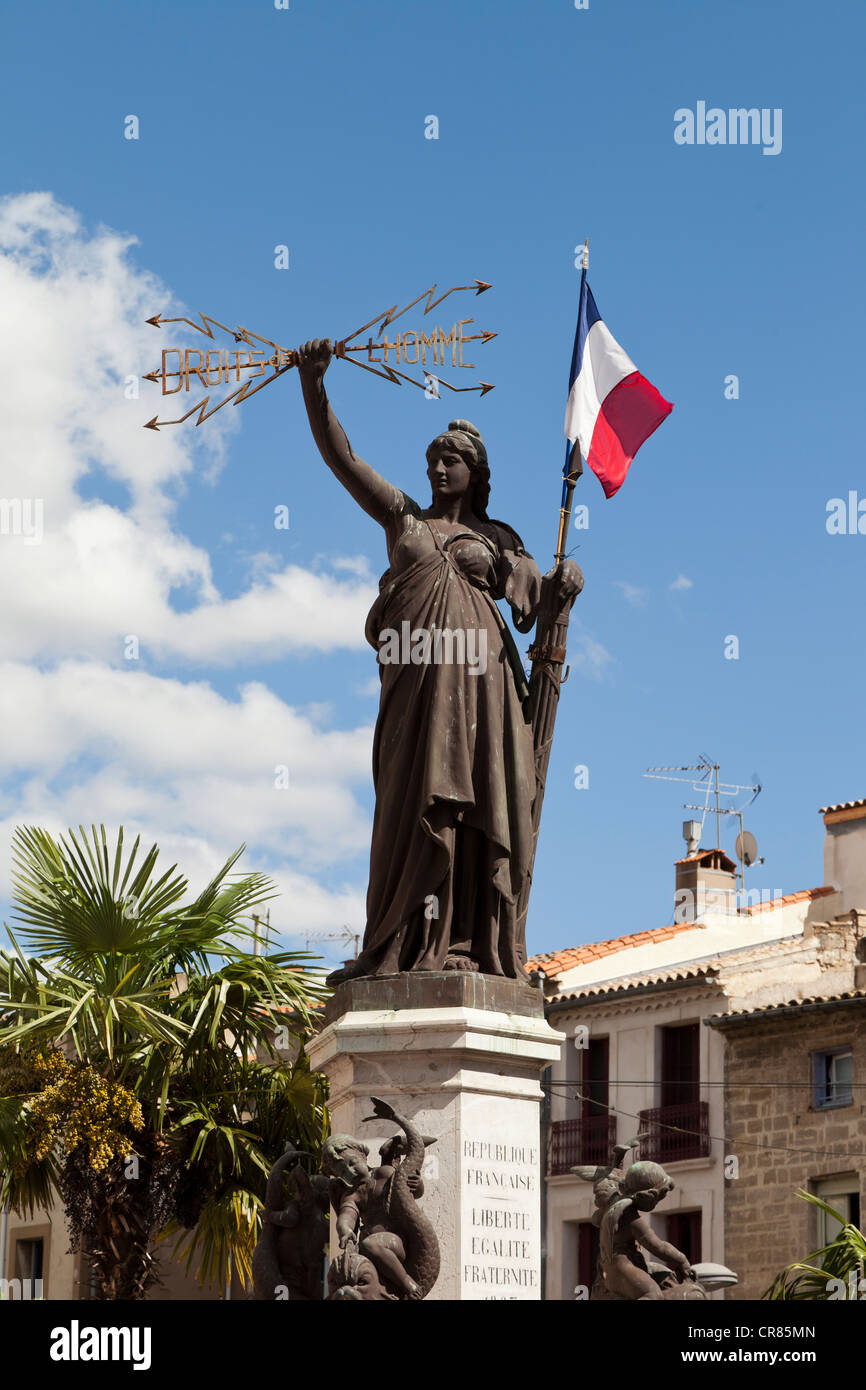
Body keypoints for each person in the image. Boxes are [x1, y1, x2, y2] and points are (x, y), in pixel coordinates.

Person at [297, 338, 581, 982]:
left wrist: (524, 569)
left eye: (453, 460)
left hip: (486, 692)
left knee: (481, 809)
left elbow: (540, 598)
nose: (440, 469)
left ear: (476, 473)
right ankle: (400, 942)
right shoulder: (407, 525)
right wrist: (315, 386)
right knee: (411, 806)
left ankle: (469, 944)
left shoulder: (501, 539)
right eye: (434, 460)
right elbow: (344, 462)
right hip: (420, 698)